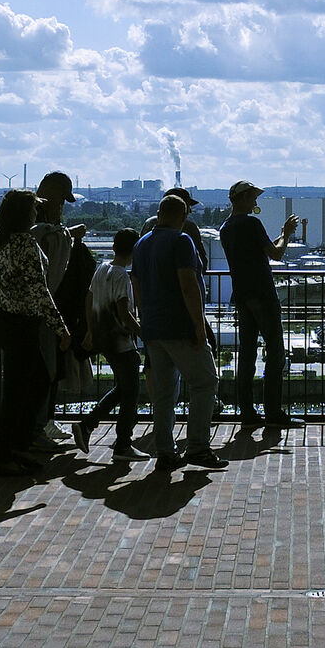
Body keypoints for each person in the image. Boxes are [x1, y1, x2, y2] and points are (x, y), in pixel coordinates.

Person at [133, 193, 225, 468]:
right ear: (183, 217)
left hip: (153, 328)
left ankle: (166, 451)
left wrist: (144, 319)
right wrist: (199, 326)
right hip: (180, 326)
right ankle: (198, 447)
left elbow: (136, 283)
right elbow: (188, 284)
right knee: (205, 382)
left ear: (159, 213)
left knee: (163, 395)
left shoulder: (141, 244)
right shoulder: (182, 240)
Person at [0, 189, 72, 474]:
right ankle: (5, 454)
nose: (37, 214)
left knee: (27, 384)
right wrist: (61, 328)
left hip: (4, 319)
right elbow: (40, 291)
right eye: (34, 210)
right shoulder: (25, 243)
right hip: (23, 322)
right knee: (25, 388)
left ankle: (17, 446)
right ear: (25, 214)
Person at [219, 180, 299, 431]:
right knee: (275, 352)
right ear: (243, 198)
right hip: (262, 294)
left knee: (247, 353)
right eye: (253, 197)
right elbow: (275, 254)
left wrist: (280, 237)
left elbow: (262, 249)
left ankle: (247, 411)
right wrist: (286, 234)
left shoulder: (226, 227)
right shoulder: (251, 223)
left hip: (242, 294)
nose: (255, 202)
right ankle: (273, 411)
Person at [77, 228, 145, 458]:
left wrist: (90, 329)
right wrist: (144, 333)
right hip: (121, 341)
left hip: (104, 338)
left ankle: (88, 424)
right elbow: (124, 313)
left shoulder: (102, 268)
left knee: (123, 389)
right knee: (131, 392)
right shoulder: (121, 276)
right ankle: (122, 443)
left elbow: (88, 297)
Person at [30, 172, 80, 443]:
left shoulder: (44, 223)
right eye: (61, 199)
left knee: (48, 370)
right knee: (42, 371)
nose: (62, 206)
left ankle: (43, 423)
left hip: (44, 309)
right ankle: (37, 429)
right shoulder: (38, 227)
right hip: (40, 310)